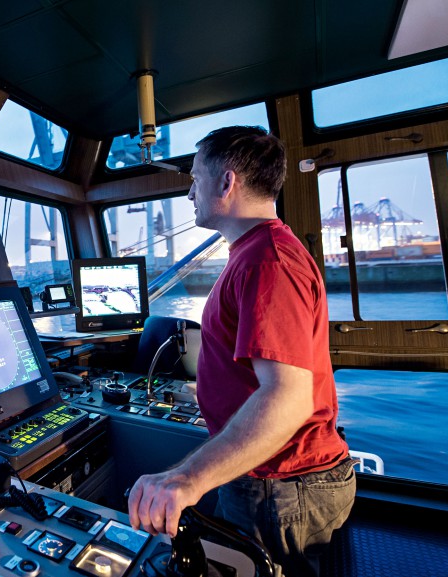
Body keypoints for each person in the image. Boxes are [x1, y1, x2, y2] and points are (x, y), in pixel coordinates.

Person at [127, 126, 355, 576]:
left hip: (283, 486)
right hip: (275, 479)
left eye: (195, 179)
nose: (190, 192)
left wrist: (186, 478)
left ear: (227, 182)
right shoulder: (256, 252)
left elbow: (287, 398)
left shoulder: (267, 261)